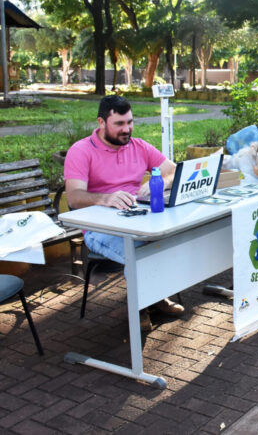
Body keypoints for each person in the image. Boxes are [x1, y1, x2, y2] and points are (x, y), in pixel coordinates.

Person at [64, 95, 183, 330]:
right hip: (100, 229)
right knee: (139, 251)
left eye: (129, 122)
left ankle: (155, 297)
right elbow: (74, 197)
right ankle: (140, 305)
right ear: (101, 122)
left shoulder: (138, 146)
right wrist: (105, 198)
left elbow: (173, 170)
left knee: (169, 240)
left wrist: (161, 182)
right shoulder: (81, 151)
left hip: (138, 218)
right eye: (119, 124)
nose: (126, 129)